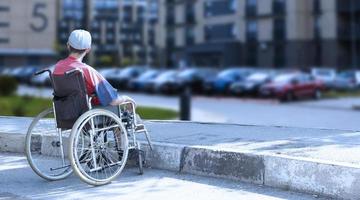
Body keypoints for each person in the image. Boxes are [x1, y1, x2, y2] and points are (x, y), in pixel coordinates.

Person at [53, 29, 136, 109]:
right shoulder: (85, 70)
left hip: (65, 114)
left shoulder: (57, 66)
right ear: (88, 49)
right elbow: (112, 101)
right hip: (88, 115)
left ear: (68, 45)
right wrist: (126, 98)